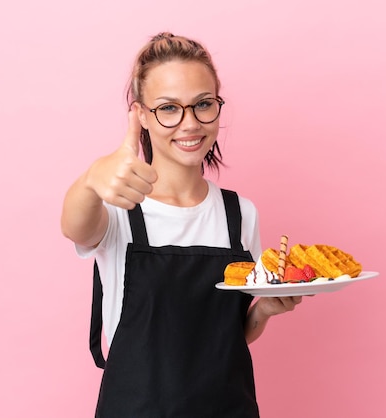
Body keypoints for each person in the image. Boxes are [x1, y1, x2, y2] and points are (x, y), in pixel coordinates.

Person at [61, 32, 304, 417]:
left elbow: (229, 335)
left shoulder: (239, 213)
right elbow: (75, 227)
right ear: (141, 114)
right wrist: (91, 179)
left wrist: (264, 311)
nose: (190, 123)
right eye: (169, 108)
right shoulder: (119, 207)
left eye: (203, 104)